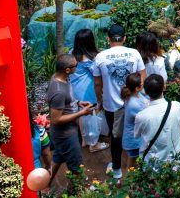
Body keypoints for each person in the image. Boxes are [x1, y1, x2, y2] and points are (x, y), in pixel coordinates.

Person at [92, 24, 146, 180]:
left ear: (108, 39)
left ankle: (116, 170)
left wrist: (100, 100)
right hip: (135, 101)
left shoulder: (101, 56)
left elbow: (97, 83)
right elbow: (143, 77)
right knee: (138, 132)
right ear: (124, 38)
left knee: (115, 138)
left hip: (112, 105)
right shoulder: (134, 53)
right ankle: (139, 164)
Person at [48, 55, 94, 187]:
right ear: (67, 70)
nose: (77, 66)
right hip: (65, 135)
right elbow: (56, 119)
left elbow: (67, 101)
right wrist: (82, 113)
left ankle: (46, 185)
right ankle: (77, 192)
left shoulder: (61, 78)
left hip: (66, 132)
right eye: (75, 65)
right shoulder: (58, 92)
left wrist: (78, 103)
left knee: (58, 158)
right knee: (77, 168)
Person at [70, 29, 108, 153]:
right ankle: (94, 143)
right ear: (91, 41)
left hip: (75, 89)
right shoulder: (90, 59)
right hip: (87, 90)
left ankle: (84, 140)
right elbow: (98, 74)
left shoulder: (72, 54)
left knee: (81, 115)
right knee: (91, 115)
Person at [134, 74, 180, 164]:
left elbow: (136, 135)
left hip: (152, 162)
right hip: (176, 159)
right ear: (164, 87)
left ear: (145, 91)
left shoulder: (141, 116)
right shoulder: (177, 106)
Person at [121, 72, 148, 170]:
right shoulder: (133, 104)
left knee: (134, 163)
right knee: (132, 165)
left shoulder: (137, 94)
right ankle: (129, 182)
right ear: (137, 88)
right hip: (133, 140)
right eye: (141, 84)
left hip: (135, 137)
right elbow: (145, 116)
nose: (143, 84)